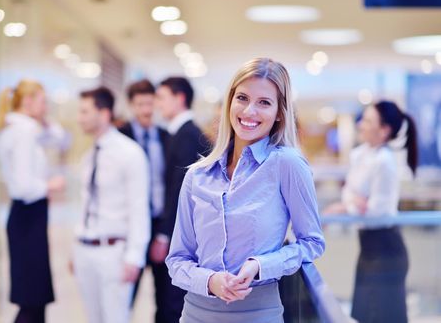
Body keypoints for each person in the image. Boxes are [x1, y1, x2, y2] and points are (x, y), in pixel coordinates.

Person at [165, 58, 325, 323]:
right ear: (229, 103)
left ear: (279, 113)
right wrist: (210, 281)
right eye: (242, 98)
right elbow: (177, 260)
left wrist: (261, 265)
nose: (250, 111)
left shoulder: (287, 165)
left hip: (259, 313)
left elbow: (312, 243)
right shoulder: (197, 175)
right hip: (195, 314)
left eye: (264, 102)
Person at [325, 100, 418, 323]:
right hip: (367, 249)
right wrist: (355, 202)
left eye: (367, 121)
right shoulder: (361, 154)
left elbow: (378, 211)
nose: (360, 125)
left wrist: (348, 205)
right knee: (365, 315)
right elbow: (348, 192)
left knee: (383, 316)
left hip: (386, 249)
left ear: (384, 130)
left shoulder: (385, 162)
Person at [73, 86, 151, 323]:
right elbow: (86, 202)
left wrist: (134, 256)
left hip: (114, 252)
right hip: (85, 249)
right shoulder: (89, 156)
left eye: (85, 112)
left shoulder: (130, 153)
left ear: (104, 113)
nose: (80, 118)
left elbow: (139, 208)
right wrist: (76, 245)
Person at [0, 79, 65, 323]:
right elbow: (24, 186)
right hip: (28, 217)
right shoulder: (24, 132)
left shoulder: (19, 129)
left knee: (35, 298)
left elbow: (60, 138)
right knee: (32, 301)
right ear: (27, 101)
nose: (46, 108)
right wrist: (50, 185)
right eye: (43, 101)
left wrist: (43, 120)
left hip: (27, 218)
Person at [152, 76, 209, 322]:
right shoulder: (177, 133)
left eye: (161, 97)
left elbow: (179, 193)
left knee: (173, 303)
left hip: (180, 237)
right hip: (176, 233)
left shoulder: (187, 135)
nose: (157, 104)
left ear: (180, 98)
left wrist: (165, 235)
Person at [118, 79, 169, 309]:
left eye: (150, 104)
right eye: (140, 105)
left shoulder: (167, 137)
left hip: (159, 223)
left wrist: (165, 232)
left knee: (166, 298)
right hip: (129, 225)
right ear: (131, 105)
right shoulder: (119, 137)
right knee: (124, 297)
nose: (146, 110)